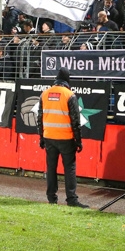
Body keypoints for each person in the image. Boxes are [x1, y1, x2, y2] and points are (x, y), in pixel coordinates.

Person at [36, 67, 88, 208]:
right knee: (69, 168)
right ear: (67, 80)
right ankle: (71, 199)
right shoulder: (69, 95)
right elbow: (75, 121)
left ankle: (51, 198)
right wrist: (78, 141)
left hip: (49, 137)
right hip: (66, 138)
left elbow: (39, 118)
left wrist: (41, 137)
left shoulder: (44, 94)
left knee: (51, 168)